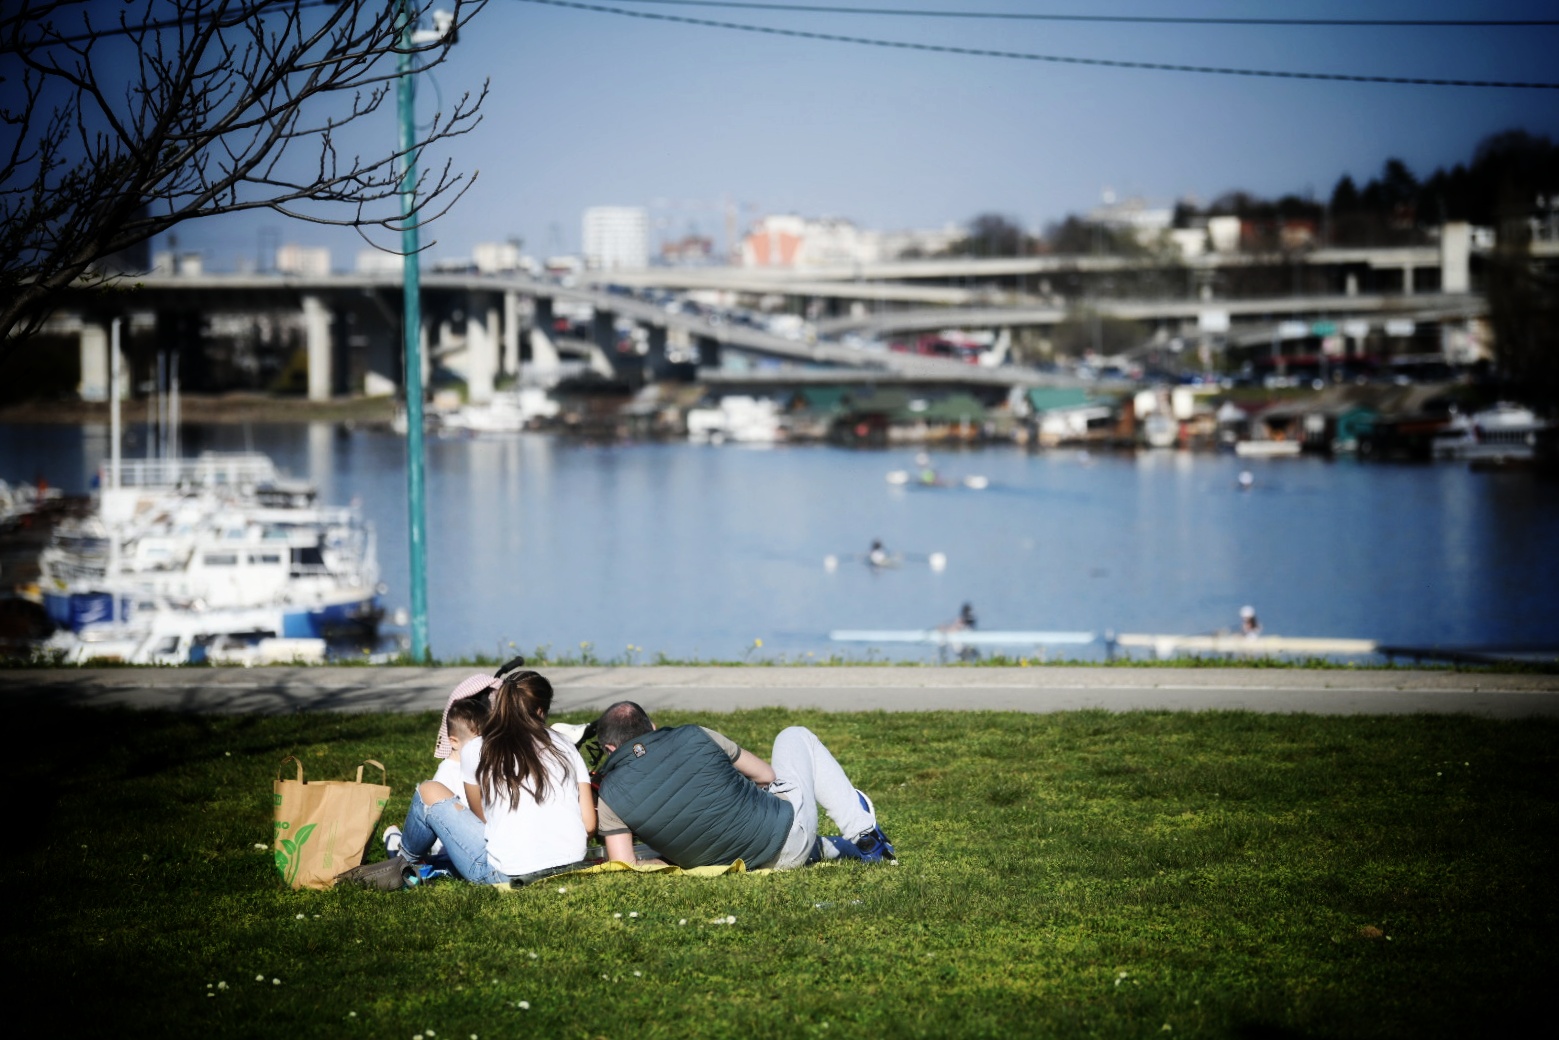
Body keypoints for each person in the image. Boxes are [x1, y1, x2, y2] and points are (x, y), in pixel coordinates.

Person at [591, 701, 894, 871]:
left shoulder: (609, 796)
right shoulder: (695, 734)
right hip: (787, 838)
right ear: (653, 727)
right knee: (794, 735)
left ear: (609, 749)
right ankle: (865, 835)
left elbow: (624, 865)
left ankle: (848, 847)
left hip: (745, 864)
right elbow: (766, 776)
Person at [395, 670, 595, 884]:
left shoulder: (477, 748)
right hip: (571, 864)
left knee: (429, 790)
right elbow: (589, 825)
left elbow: (483, 818)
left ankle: (402, 863)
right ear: (540, 711)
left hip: (505, 873)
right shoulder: (566, 745)